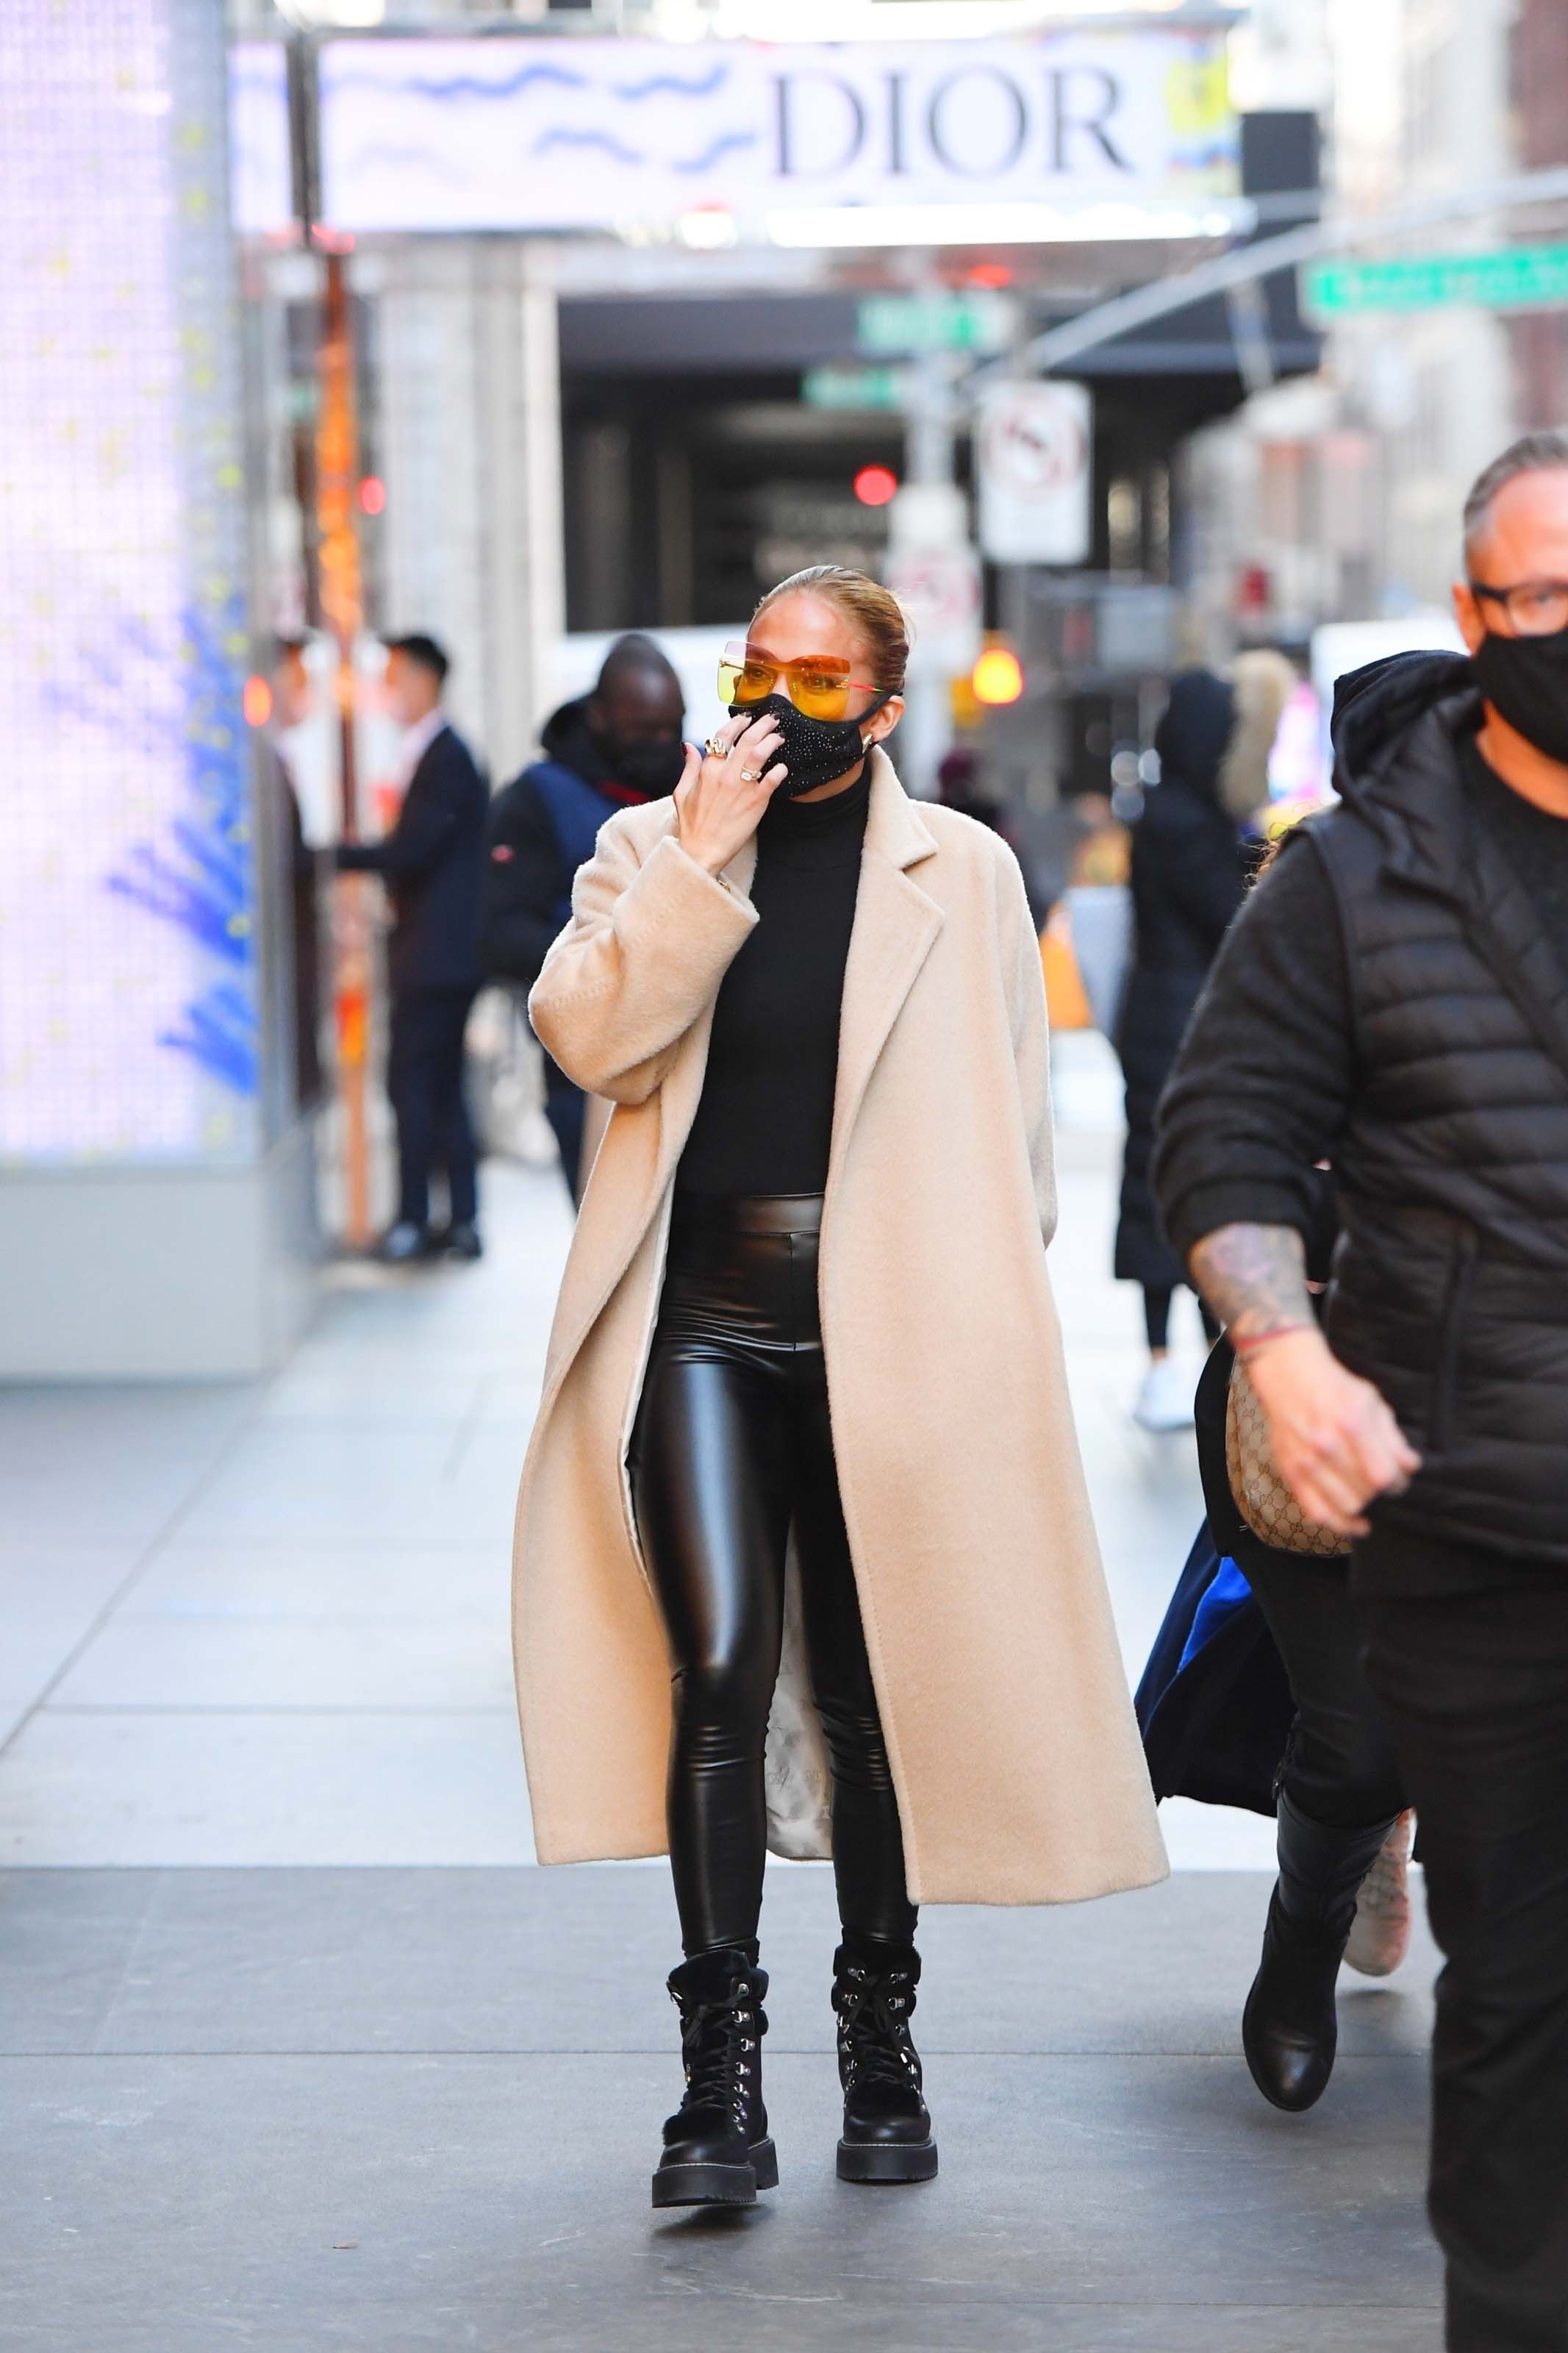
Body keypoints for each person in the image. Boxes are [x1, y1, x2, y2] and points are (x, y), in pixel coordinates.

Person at [510, 566, 1166, 2213]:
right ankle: (714, 2081)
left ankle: (880, 2045)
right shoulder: (649, 846)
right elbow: (585, 1037)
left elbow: (1013, 1134)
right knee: (720, 1672)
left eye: (819, 679)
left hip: (895, 1327)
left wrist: (971, 1335)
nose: (777, 702)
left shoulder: (969, 869)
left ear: (880, 707)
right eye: (761, 668)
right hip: (704, 1315)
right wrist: (700, 857)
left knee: (875, 1694)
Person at [1155, 432, 1568, 2349]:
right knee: (1518, 1973)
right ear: (1474, 618)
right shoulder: (1351, 876)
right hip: (1472, 1511)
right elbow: (1222, 1127)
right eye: (1539, 596)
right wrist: (1280, 1339)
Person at [1114, 657, 1291, 1430]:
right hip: (1178, 1023)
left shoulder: (1169, 811)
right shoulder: (1187, 823)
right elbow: (1228, 912)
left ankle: (1177, 1356)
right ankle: (1167, 1362)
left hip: (1161, 1014)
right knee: (1171, 1181)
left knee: (1166, 1178)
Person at [482, 635, 685, 1202]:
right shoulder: (537, 800)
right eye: (643, 729)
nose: (662, 744)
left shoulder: (697, 783)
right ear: (599, 717)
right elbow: (501, 933)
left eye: (672, 726)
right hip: (590, 1071)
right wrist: (617, 960)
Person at [337, 634, 487, 1263]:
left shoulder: (446, 757)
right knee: (440, 1086)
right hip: (439, 955)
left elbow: (416, 850)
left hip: (436, 957)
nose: (385, 693)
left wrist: (337, 854)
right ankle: (455, 1224)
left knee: (415, 1086)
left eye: (394, 678)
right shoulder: (435, 754)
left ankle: (417, 1222)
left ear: (424, 681)